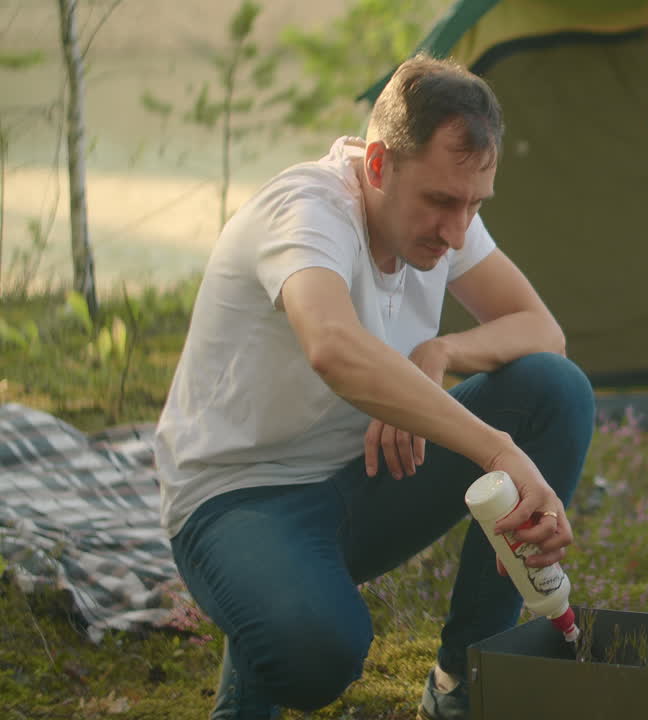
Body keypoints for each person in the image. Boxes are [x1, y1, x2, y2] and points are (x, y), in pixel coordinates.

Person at [154, 55, 595, 720]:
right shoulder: (306, 210)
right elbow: (332, 344)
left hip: (362, 476)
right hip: (239, 498)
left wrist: (439, 350)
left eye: (474, 206)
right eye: (442, 202)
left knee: (554, 390)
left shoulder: (450, 215)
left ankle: (461, 684)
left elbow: (543, 332)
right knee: (315, 653)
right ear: (380, 165)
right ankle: (272, 598)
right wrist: (496, 450)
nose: (456, 232)